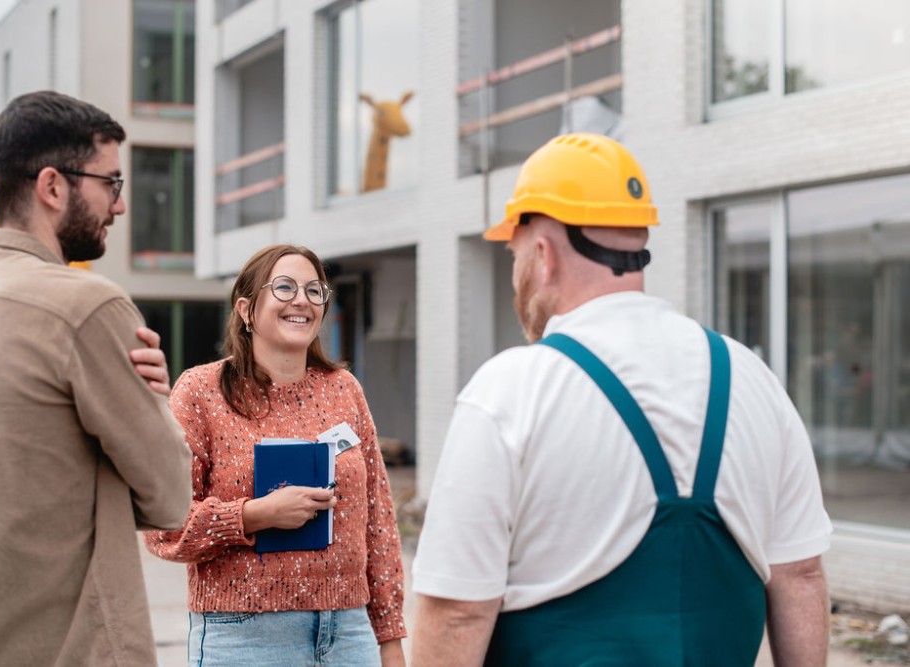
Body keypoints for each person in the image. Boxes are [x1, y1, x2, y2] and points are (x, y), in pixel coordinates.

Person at [411, 134, 832, 666]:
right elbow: (801, 574)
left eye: (514, 256)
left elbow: (456, 611)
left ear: (542, 256)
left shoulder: (511, 389)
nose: (516, 274)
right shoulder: (750, 376)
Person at [0, 91, 193, 666]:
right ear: (52, 186)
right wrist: (154, 400)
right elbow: (170, 496)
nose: (120, 205)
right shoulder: (86, 306)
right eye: (111, 183)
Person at [144, 243, 407, 666]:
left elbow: (379, 522)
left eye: (314, 290)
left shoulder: (345, 390)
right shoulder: (199, 394)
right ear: (247, 311)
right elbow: (162, 526)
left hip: (350, 636)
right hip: (244, 639)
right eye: (284, 288)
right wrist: (254, 515)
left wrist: (390, 638)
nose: (302, 299)